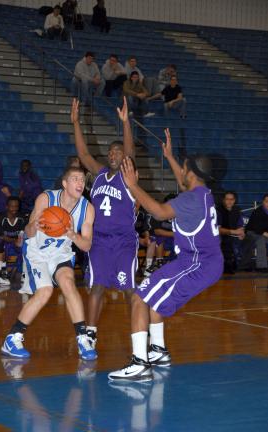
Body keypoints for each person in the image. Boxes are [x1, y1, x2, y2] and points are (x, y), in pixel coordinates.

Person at [108, 129, 223, 382]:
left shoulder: (190, 200)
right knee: (154, 297)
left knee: (139, 297)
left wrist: (133, 185)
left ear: (191, 173)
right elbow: (184, 180)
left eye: (182, 167)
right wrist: (170, 156)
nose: (180, 171)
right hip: (201, 261)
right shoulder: (201, 193)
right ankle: (157, 350)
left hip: (196, 263)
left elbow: (159, 213)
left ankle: (139, 363)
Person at [1, 166, 97, 361]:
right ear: (64, 183)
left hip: (60, 253)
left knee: (69, 284)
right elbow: (28, 232)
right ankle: (12, 338)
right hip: (37, 252)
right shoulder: (46, 198)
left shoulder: (87, 208)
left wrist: (71, 233)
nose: (80, 183)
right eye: (75, 179)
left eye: (82, 180)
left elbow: (86, 246)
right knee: (45, 291)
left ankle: (82, 339)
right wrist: (33, 226)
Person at [71, 96, 137, 356]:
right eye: (111, 152)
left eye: (117, 152)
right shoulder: (98, 175)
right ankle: (90, 333)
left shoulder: (127, 174)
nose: (113, 154)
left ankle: (138, 334)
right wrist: (75, 122)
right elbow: (83, 153)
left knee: (130, 289)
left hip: (123, 240)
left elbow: (131, 151)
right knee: (96, 286)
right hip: (99, 240)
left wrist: (125, 123)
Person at [0, 196, 28, 285]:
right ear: (7, 206)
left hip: (17, 242)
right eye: (12, 206)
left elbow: (24, 232)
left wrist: (20, 240)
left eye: (16, 206)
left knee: (27, 246)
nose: (14, 208)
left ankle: (25, 276)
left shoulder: (22, 217)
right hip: (4, 242)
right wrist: (13, 240)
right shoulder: (0, 217)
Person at [238, 193, 268, 272]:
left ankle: (246, 265)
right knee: (260, 240)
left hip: (264, 234)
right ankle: (261, 267)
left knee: (261, 239)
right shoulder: (257, 212)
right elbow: (258, 229)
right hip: (252, 232)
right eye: (266, 201)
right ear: (263, 202)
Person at [217, 191, 245, 274]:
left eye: (231, 199)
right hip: (220, 235)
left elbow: (240, 225)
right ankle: (225, 265)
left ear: (234, 200)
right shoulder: (218, 211)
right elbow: (217, 230)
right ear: (223, 200)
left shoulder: (237, 210)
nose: (229, 201)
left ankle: (242, 265)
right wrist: (235, 232)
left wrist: (241, 232)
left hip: (233, 234)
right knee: (225, 241)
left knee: (250, 239)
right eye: (227, 199)